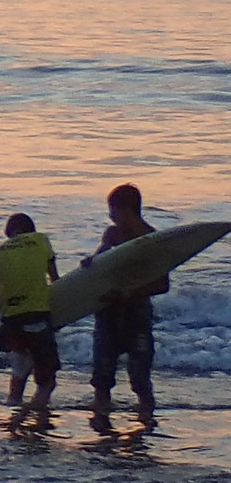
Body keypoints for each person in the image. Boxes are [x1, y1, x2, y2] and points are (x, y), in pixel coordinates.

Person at [89, 183, 164, 431]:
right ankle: (102, 429)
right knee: (102, 378)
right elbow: (100, 260)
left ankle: (146, 424)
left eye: (113, 210)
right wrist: (90, 263)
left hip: (136, 314)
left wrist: (129, 292)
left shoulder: (151, 240)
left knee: (140, 379)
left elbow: (162, 284)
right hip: (108, 311)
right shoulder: (112, 235)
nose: (110, 216)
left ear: (128, 210)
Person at [0, 211, 60, 425]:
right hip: (37, 317)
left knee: (19, 372)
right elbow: (55, 280)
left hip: (12, 321)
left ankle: (14, 412)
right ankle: (28, 414)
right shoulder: (41, 241)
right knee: (47, 382)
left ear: (11, 233)